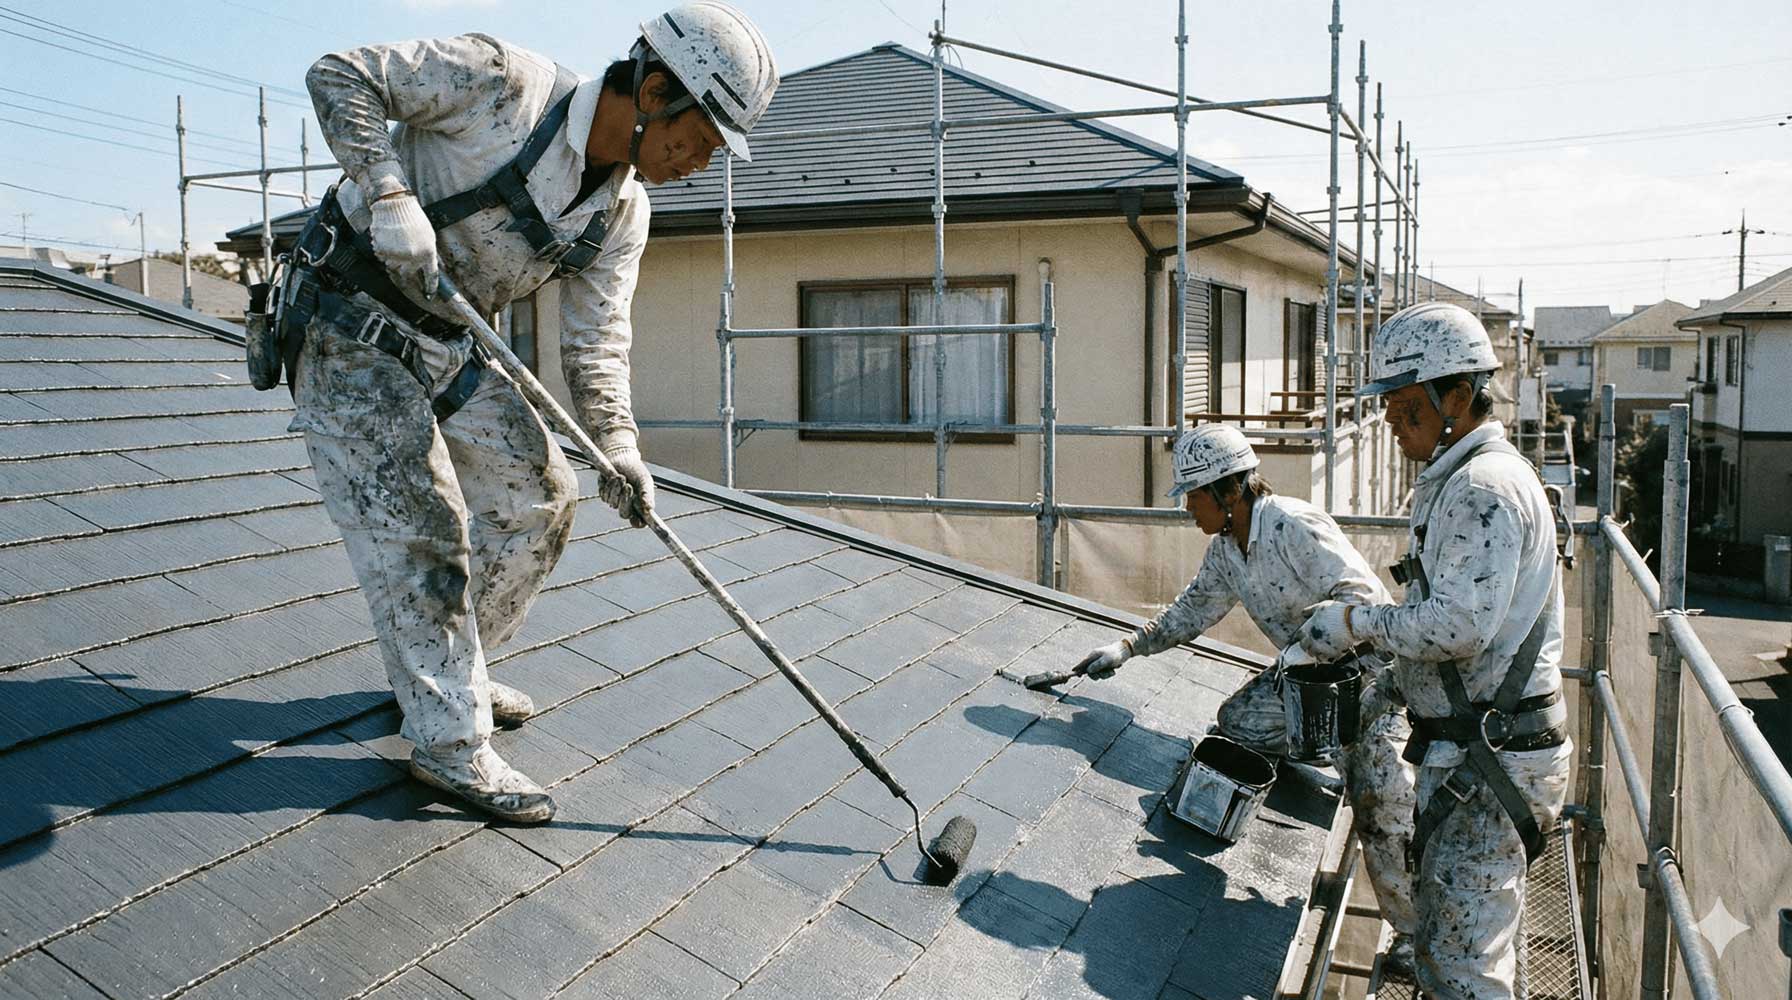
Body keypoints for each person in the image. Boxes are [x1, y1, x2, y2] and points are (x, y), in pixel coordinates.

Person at [291, 3, 778, 823]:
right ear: (655, 88)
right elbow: (339, 74)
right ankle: (448, 743)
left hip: (445, 338)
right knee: (421, 520)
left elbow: (596, 346)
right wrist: (385, 192)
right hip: (347, 317)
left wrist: (618, 447)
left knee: (542, 496)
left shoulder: (622, 213)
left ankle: (450, 680)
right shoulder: (500, 85)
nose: (700, 163)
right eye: (699, 139)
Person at [1296, 302, 1572, 998]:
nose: (1389, 420)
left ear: (1457, 396)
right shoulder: (1462, 479)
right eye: (1388, 404)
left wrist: (1357, 623)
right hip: (1482, 750)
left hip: (1491, 757)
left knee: (1463, 967)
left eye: (1404, 404)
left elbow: (1457, 627)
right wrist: (1390, 682)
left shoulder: (1482, 488)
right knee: (1452, 947)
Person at [1070, 423, 1418, 962]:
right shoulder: (1228, 550)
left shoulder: (1293, 526)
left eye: (1193, 496)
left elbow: (1364, 598)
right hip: (1304, 678)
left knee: (1380, 808)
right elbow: (1193, 609)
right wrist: (1128, 647)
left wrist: (1313, 647)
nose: (1188, 509)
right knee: (1239, 723)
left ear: (1228, 492)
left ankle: (1415, 933)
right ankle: (1319, 748)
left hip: (1364, 680)